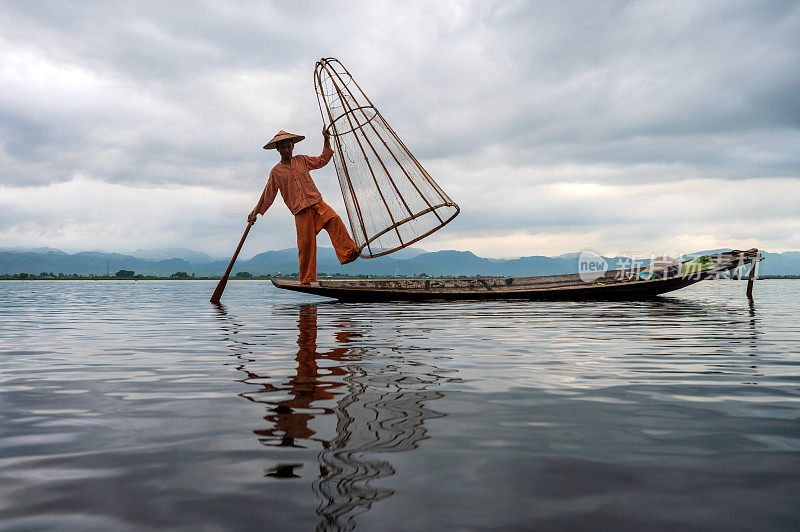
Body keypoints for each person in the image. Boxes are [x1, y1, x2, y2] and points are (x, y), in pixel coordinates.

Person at [249, 129, 360, 285]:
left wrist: (326, 139)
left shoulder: (301, 160)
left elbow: (322, 160)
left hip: (316, 203)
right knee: (306, 246)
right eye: (283, 147)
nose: (286, 150)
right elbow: (269, 194)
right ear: (277, 149)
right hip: (300, 211)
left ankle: (349, 252)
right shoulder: (276, 172)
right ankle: (307, 280)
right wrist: (255, 213)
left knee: (334, 219)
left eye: (289, 146)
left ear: (293, 146)